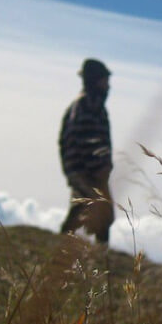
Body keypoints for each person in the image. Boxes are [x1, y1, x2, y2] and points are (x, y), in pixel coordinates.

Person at [58, 58, 114, 245]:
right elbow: (88, 141)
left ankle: (65, 247)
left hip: (80, 171)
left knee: (84, 209)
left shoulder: (87, 105)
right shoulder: (89, 105)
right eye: (104, 80)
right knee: (101, 213)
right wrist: (98, 169)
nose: (108, 85)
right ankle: (100, 255)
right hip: (88, 172)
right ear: (94, 81)